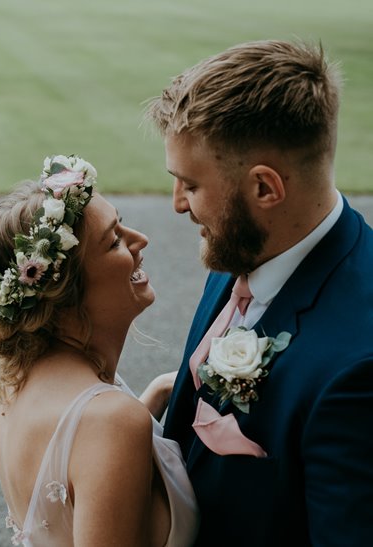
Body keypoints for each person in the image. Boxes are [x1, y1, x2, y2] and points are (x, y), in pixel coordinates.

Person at [146, 39, 373, 546]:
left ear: (265, 189)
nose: (178, 205)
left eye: (191, 184)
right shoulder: (243, 248)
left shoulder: (358, 369)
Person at [0, 154, 198, 546]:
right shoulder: (109, 420)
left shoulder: (18, 383)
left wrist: (158, 392)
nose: (140, 240)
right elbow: (102, 430)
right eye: (114, 241)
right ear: (65, 294)